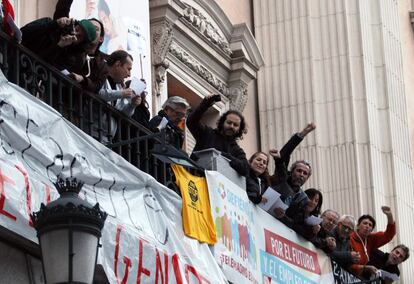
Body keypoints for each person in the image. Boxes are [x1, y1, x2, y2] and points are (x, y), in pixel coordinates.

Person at [186, 94, 249, 176]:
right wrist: (205, 104)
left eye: (235, 125)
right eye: (229, 123)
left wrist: (224, 156)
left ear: (239, 129)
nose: (231, 126)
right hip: (195, 179)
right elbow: (191, 121)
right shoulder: (207, 134)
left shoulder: (237, 150)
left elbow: (245, 169)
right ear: (223, 122)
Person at [92, 50, 140, 142]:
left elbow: (124, 112)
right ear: (118, 64)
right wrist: (121, 94)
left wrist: (132, 105)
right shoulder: (100, 74)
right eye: (128, 69)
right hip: (90, 132)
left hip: (106, 139)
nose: (129, 74)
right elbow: (97, 92)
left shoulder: (119, 87)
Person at [21, 17, 97, 72]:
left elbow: (42, 65)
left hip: (25, 74)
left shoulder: (71, 58)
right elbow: (23, 32)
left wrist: (59, 46)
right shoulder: (50, 23)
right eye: (76, 29)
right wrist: (54, 24)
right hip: (15, 54)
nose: (74, 33)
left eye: (79, 36)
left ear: (81, 43)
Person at [349, 206, 396, 277]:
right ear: (358, 226)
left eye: (370, 225)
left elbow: (389, 235)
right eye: (365, 223)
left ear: (371, 230)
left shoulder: (370, 239)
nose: (367, 226)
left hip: (362, 278)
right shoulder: (349, 237)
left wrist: (389, 215)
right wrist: (364, 268)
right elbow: (346, 263)